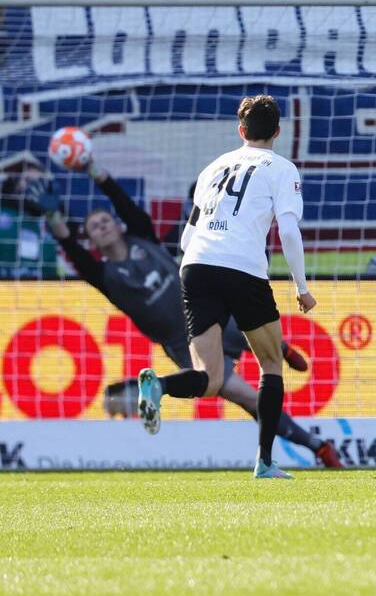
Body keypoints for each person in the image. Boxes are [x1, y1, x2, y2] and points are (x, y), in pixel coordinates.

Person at [25, 154, 340, 469]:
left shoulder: (143, 237)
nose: (102, 226)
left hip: (210, 312)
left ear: (117, 226)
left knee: (256, 329)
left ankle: (282, 349)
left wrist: (94, 171)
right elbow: (70, 247)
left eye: (105, 221)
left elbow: (123, 202)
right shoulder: (103, 275)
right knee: (247, 398)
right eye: (94, 227)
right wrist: (53, 215)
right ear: (91, 239)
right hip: (183, 342)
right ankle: (318, 447)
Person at [137, 94, 316, 479]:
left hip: (197, 266)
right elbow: (287, 230)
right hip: (242, 268)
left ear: (241, 131)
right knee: (270, 364)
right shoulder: (281, 168)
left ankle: (160, 387)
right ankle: (265, 462)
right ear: (278, 132)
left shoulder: (213, 167)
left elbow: (188, 237)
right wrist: (301, 287)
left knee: (211, 378)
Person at [0, 161, 61, 279]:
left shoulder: (48, 226)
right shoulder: (3, 212)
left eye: (38, 183)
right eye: (28, 181)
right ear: (15, 182)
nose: (32, 187)